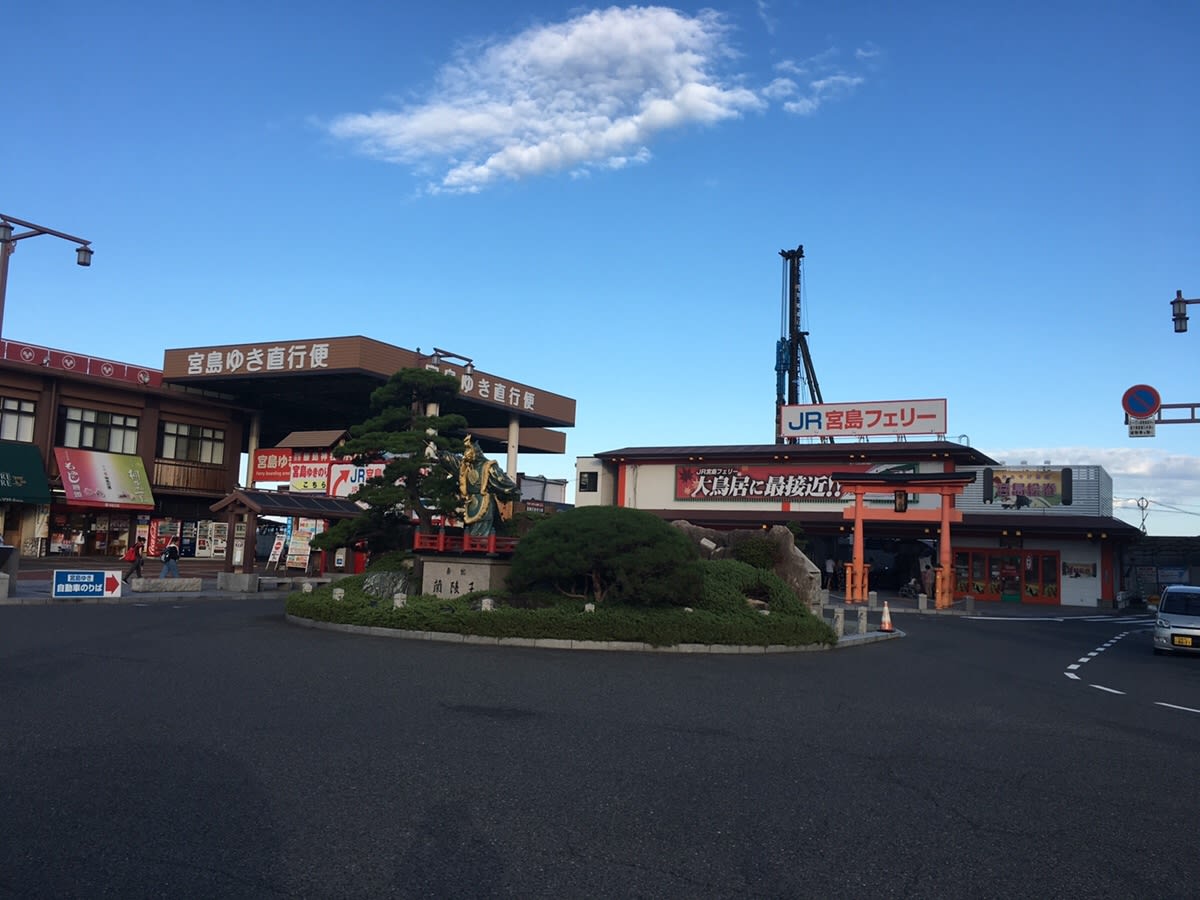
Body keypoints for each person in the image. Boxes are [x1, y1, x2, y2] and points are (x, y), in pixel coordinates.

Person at [428, 435, 522, 537]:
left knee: (483, 526)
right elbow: (455, 461)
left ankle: (482, 542)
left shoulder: (488, 466)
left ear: (475, 453)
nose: (466, 456)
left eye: (469, 453)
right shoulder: (466, 466)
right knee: (470, 527)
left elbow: (501, 480)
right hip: (470, 501)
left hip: (484, 501)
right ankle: (471, 541)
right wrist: (444, 455)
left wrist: (512, 490)